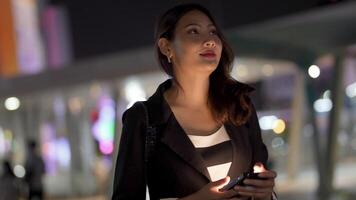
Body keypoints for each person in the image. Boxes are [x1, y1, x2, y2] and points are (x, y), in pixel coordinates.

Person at [112, 4, 277, 200]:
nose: (209, 41)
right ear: (166, 47)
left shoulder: (239, 106)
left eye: (213, 32)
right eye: (193, 31)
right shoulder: (145, 118)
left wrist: (265, 193)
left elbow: (262, 182)